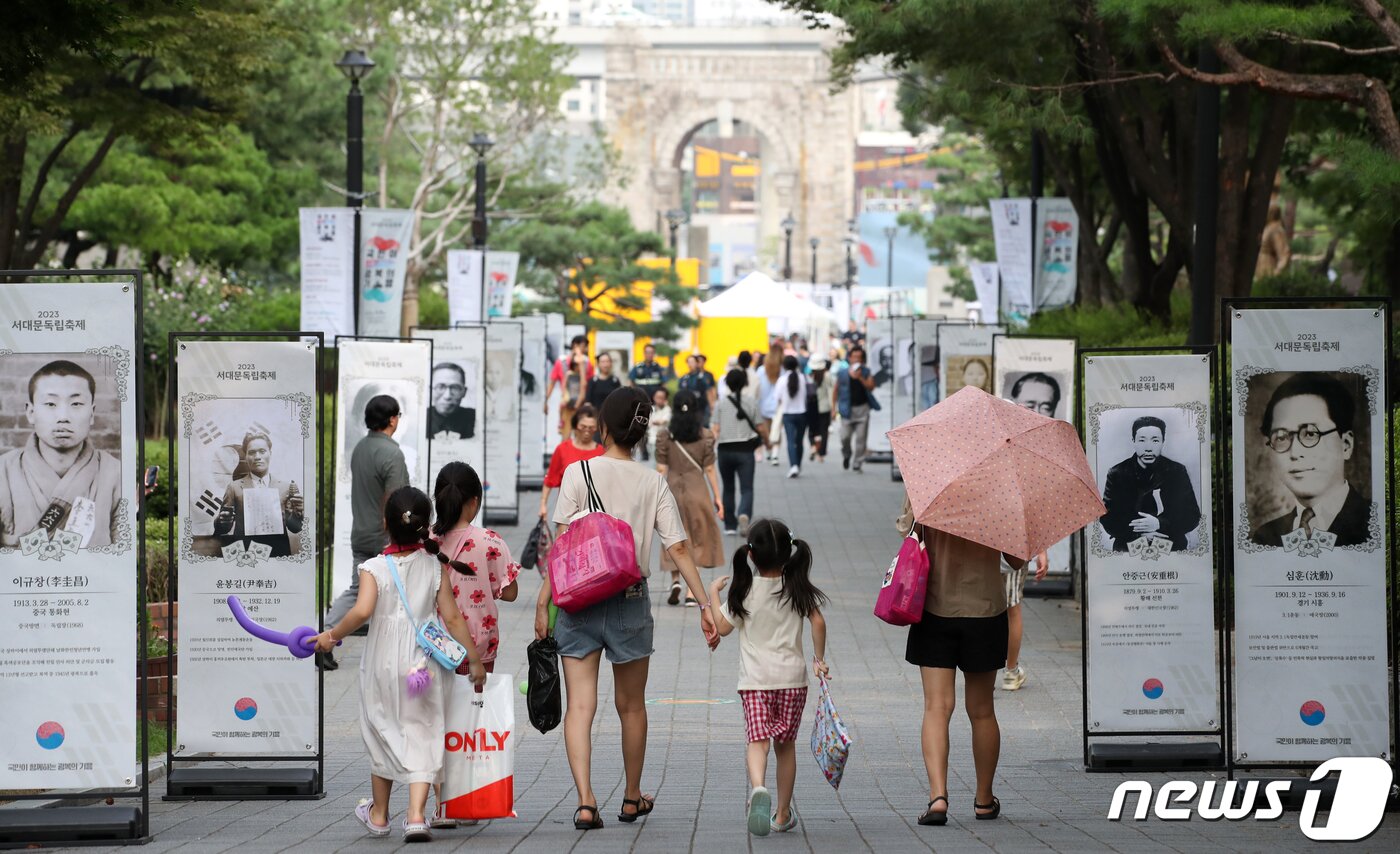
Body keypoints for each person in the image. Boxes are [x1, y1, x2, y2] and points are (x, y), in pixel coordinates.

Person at [537, 387, 718, 831]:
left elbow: (563, 547)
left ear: (602, 426)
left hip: (577, 600)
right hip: (629, 600)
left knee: (581, 706)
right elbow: (676, 546)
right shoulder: (651, 482)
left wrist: (543, 603)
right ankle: (632, 798)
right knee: (631, 706)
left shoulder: (578, 473)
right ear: (639, 435)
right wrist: (705, 604)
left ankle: (585, 801)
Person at [312, 486, 487, 843]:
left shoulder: (374, 568)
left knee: (382, 726)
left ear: (386, 524)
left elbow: (361, 611)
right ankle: (416, 816)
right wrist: (474, 658)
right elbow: (452, 618)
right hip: (422, 666)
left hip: (383, 663)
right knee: (423, 729)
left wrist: (331, 636)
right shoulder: (434, 565)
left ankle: (378, 815)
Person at [896, 498, 1046, 827]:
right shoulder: (997, 493)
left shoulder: (929, 484)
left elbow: (908, 532)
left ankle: (938, 796)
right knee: (981, 710)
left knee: (937, 707)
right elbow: (1017, 560)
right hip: (986, 610)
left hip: (935, 607)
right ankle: (983, 799)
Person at [708, 519, 828, 837]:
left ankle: (759, 787)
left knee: (757, 742)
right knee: (785, 747)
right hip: (793, 680)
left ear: (751, 555)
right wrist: (819, 659)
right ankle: (783, 813)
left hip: (755, 682)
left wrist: (711, 592)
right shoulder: (796, 588)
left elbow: (720, 628)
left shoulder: (744, 590)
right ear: (788, 554)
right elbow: (818, 621)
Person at [430, 461, 519, 828]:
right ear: (475, 501)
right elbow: (510, 592)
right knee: (471, 724)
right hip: (480, 647)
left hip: (436, 646)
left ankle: (440, 804)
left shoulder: (426, 542)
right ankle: (467, 800)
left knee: (438, 723)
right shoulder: (490, 542)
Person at [322, 394, 410, 671]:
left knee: (357, 590)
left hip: (360, 532)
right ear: (393, 419)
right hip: (386, 538)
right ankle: (400, 653)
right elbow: (396, 501)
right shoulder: (392, 453)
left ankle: (325, 633)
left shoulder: (360, 448)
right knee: (402, 593)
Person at [0, 359, 121, 548]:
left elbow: (124, 557)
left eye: (76, 403)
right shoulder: (3, 470)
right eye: (50, 404)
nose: (63, 417)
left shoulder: (116, 473)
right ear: (31, 412)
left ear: (92, 413)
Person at [1250, 373, 1370, 547]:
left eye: (1310, 434)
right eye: (1281, 437)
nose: (1295, 452)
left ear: (1346, 445)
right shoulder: (1265, 538)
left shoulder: (1376, 523)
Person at [657, 390, 725, 607]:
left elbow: (661, 470)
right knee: (696, 540)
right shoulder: (705, 436)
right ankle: (690, 593)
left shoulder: (665, 436)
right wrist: (718, 498)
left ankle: (675, 580)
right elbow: (710, 469)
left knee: (673, 536)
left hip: (673, 491)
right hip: (698, 491)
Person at [1100, 416, 1201, 552]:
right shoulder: (1117, 473)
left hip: (1171, 547)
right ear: (1133, 441)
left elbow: (1192, 515)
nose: (1148, 448)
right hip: (1128, 549)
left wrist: (1159, 524)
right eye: (1142, 440)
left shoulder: (1176, 471)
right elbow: (1108, 518)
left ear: (1163, 442)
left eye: (1155, 440)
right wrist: (1140, 532)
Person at [212, 431, 304, 558]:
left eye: (262, 451)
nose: (257, 457)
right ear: (245, 455)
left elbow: (295, 528)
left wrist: (298, 512)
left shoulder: (284, 487)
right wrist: (222, 520)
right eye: (252, 452)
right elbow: (222, 529)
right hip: (245, 555)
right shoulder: (234, 487)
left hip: (278, 554)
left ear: (270, 454)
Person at [712, 368, 766, 539]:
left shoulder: (720, 404)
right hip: (745, 450)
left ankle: (729, 525)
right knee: (747, 488)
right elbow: (759, 426)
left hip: (725, 450)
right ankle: (744, 513)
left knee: (728, 488)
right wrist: (768, 441)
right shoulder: (751, 401)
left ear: (727, 383)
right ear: (744, 383)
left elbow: (715, 429)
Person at [539, 405, 605, 520]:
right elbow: (550, 479)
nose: (587, 431)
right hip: (567, 514)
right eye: (583, 426)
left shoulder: (601, 452)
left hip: (594, 515)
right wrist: (543, 505)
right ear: (575, 425)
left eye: (591, 427)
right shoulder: (562, 449)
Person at [834, 345, 878, 473]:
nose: (856, 360)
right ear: (849, 358)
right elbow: (836, 390)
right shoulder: (842, 373)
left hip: (862, 409)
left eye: (859, 357)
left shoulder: (865, 372)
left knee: (861, 438)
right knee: (844, 437)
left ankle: (858, 462)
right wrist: (833, 408)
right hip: (847, 410)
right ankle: (846, 453)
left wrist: (860, 378)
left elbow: (871, 387)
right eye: (854, 357)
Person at [546, 334, 593, 440]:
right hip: (566, 405)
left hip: (581, 405)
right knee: (565, 436)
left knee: (581, 437)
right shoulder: (561, 362)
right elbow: (552, 383)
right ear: (574, 345)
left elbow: (588, 384)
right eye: (582, 346)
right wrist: (546, 401)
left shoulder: (586, 363)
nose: (584, 349)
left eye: (585, 347)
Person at [774, 355, 808, 479]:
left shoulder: (782, 380)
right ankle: (798, 464)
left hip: (788, 413)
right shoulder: (802, 378)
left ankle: (793, 465)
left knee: (790, 441)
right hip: (802, 413)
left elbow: (777, 398)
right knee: (799, 441)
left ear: (784, 366)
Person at [427, 363, 475, 440]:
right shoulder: (421, 419)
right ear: (430, 390)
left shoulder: (476, 419)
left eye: (455, 388)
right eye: (440, 387)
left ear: (464, 392)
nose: (447, 396)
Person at [757, 343, 785, 466]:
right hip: (779, 405)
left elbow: (758, 390)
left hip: (763, 405)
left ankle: (768, 450)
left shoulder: (761, 370)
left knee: (766, 431)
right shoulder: (783, 370)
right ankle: (775, 453)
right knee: (777, 430)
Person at [804, 356, 835, 463]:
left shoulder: (809, 376)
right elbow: (831, 393)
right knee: (823, 431)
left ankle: (813, 447)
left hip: (811, 407)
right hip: (824, 407)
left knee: (812, 430)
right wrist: (833, 408)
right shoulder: (827, 376)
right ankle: (821, 453)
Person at [677, 353, 719, 427]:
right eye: (688, 362)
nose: (690, 364)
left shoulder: (703, 377)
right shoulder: (684, 378)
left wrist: (712, 406)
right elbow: (680, 393)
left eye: (692, 362)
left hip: (701, 407)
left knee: (702, 426)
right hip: (688, 407)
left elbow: (708, 391)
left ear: (697, 363)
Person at [646, 387, 672, 463]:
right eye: (657, 397)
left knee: (661, 462)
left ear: (665, 399)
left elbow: (663, 421)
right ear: (653, 397)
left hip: (662, 440)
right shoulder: (651, 408)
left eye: (661, 398)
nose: (659, 399)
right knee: (652, 459)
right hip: (651, 439)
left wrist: (653, 422)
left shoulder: (667, 409)